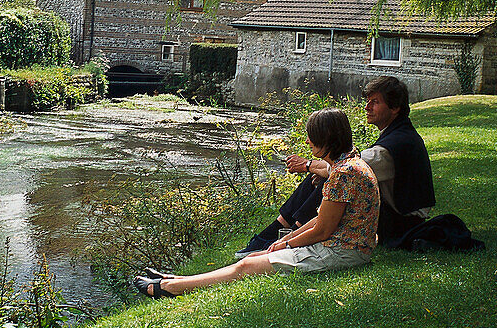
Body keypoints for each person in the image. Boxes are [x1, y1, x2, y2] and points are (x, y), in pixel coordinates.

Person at [134, 108, 379, 298]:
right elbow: (323, 219)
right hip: (348, 247)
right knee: (255, 257)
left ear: (327, 139)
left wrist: (287, 244)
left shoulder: (343, 173)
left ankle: (169, 287)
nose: (307, 142)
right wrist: (283, 241)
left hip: (344, 252)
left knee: (247, 266)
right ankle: (176, 280)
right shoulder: (350, 162)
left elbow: (323, 229)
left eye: (312, 137)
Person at [234, 75, 435, 257]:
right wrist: (313, 168)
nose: (367, 107)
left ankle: (278, 238)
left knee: (325, 181)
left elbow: (344, 171)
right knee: (321, 178)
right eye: (367, 101)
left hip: (399, 223)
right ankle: (275, 235)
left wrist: (307, 165)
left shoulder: (391, 149)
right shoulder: (399, 134)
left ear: (395, 108)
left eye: (375, 102)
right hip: (393, 215)